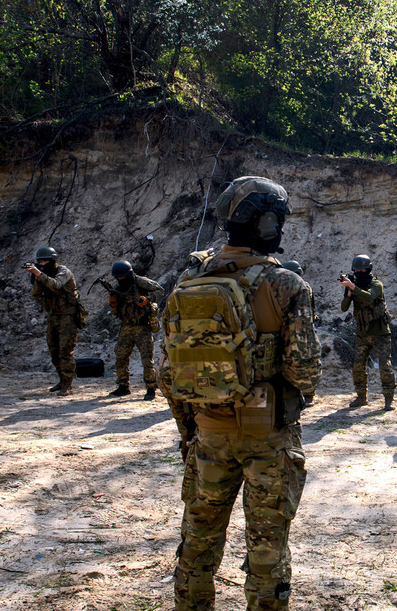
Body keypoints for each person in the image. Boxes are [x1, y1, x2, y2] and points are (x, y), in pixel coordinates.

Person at [163, 176, 321, 611]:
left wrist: (188, 429)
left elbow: (167, 371)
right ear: (268, 224)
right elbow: (305, 370)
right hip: (268, 438)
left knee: (197, 545)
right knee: (267, 554)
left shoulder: (189, 279)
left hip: (208, 434)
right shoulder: (287, 285)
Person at [339, 254, 396, 410]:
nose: (359, 272)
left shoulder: (376, 284)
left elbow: (369, 296)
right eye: (357, 270)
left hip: (380, 333)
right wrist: (348, 293)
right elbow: (344, 308)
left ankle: (388, 399)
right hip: (362, 333)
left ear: (369, 269)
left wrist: (352, 287)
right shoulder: (354, 287)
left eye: (362, 269)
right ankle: (361, 397)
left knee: (385, 366)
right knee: (358, 367)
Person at [25, 246, 82, 396]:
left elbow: (56, 284)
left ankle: (68, 384)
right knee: (54, 350)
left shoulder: (64, 271)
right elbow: (36, 294)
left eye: (45, 261)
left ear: (52, 261)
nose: (42, 263)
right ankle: (62, 379)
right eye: (40, 261)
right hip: (53, 316)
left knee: (65, 351)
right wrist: (37, 277)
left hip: (67, 317)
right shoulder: (43, 275)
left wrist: (38, 273)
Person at [107, 260, 164, 400]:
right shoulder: (118, 288)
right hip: (126, 326)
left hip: (142, 326)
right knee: (120, 356)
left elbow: (160, 290)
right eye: (118, 277)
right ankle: (123, 386)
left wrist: (148, 299)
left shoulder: (141, 282)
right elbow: (115, 312)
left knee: (146, 359)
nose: (121, 279)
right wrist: (113, 303)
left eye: (123, 277)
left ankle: (151, 388)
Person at [281, 260, 317, 408]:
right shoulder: (303, 287)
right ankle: (303, 393)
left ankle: (308, 393)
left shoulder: (301, 288)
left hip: (300, 330)